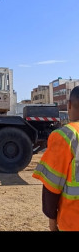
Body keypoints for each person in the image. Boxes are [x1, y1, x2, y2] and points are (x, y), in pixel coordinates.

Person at [32, 85, 79, 231]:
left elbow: (51, 187)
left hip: (73, 221)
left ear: (69, 105)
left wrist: (52, 222)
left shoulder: (65, 136)